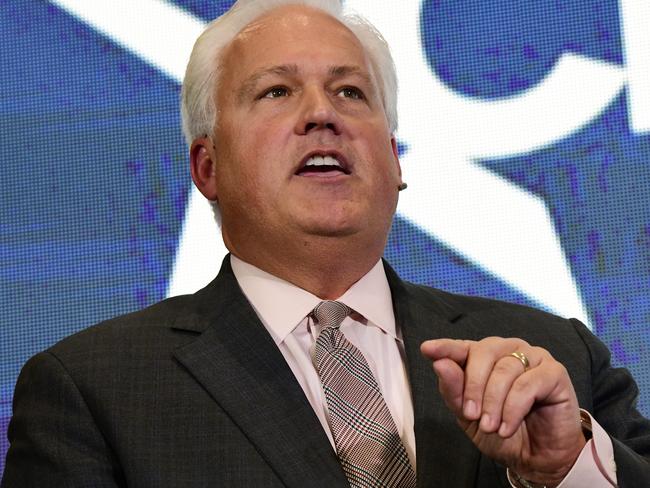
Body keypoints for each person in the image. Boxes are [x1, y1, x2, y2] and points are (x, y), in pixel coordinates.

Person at [2, 0, 650, 486]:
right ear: (208, 167)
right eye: (277, 91)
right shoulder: (94, 391)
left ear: (394, 161)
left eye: (350, 91)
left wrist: (568, 467)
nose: (323, 114)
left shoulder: (556, 361)